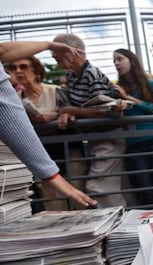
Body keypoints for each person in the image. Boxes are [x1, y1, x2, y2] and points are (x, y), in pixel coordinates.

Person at [0, 27, 97, 208]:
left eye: (23, 66)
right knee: (55, 205)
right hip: (40, 154)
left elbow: (71, 110)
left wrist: (59, 115)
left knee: (78, 200)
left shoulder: (55, 91)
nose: (18, 71)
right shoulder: (15, 98)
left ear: (36, 71)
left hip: (66, 150)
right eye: (13, 67)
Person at [53, 33, 126, 208]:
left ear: (73, 52)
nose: (55, 59)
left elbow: (103, 112)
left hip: (107, 138)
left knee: (98, 188)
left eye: (58, 54)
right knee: (111, 187)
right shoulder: (71, 76)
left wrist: (71, 110)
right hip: (94, 139)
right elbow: (76, 107)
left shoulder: (92, 74)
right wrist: (68, 113)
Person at [111, 48, 153, 206]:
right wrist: (116, 108)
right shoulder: (115, 89)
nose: (116, 63)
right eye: (114, 60)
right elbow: (113, 117)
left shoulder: (149, 83)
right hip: (134, 143)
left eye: (120, 59)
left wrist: (127, 97)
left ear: (131, 60)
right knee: (144, 189)